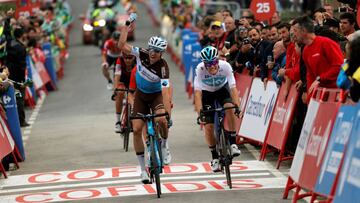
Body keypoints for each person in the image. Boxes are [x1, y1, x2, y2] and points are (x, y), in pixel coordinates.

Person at [118, 14, 172, 183]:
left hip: (156, 96)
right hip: (141, 95)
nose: (153, 54)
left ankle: (164, 146)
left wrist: (167, 114)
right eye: (152, 50)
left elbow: (165, 93)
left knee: (162, 120)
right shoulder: (141, 53)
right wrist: (127, 25)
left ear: (162, 53)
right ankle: (142, 169)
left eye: (158, 52)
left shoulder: (163, 67)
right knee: (136, 129)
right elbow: (121, 45)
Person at [194, 46, 241, 172]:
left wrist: (237, 106)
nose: (212, 66)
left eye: (214, 62)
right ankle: (214, 156)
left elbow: (233, 88)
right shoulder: (200, 69)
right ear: (204, 63)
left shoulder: (225, 66)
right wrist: (200, 113)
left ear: (218, 60)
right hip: (207, 93)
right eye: (208, 63)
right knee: (208, 127)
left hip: (222, 90)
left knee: (229, 108)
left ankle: (233, 143)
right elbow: (198, 93)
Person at [294, 16, 343, 101]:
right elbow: (310, 75)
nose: (294, 34)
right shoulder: (305, 50)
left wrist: (320, 79)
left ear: (303, 31)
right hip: (320, 96)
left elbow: (339, 66)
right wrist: (310, 99)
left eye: (295, 31)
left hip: (335, 93)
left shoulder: (326, 43)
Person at [113, 52, 136, 133]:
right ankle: (118, 122)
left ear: (134, 57)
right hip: (122, 80)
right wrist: (115, 90)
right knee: (120, 92)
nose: (127, 60)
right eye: (125, 58)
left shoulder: (138, 61)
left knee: (136, 95)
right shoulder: (120, 60)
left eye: (130, 58)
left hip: (134, 80)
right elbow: (117, 75)